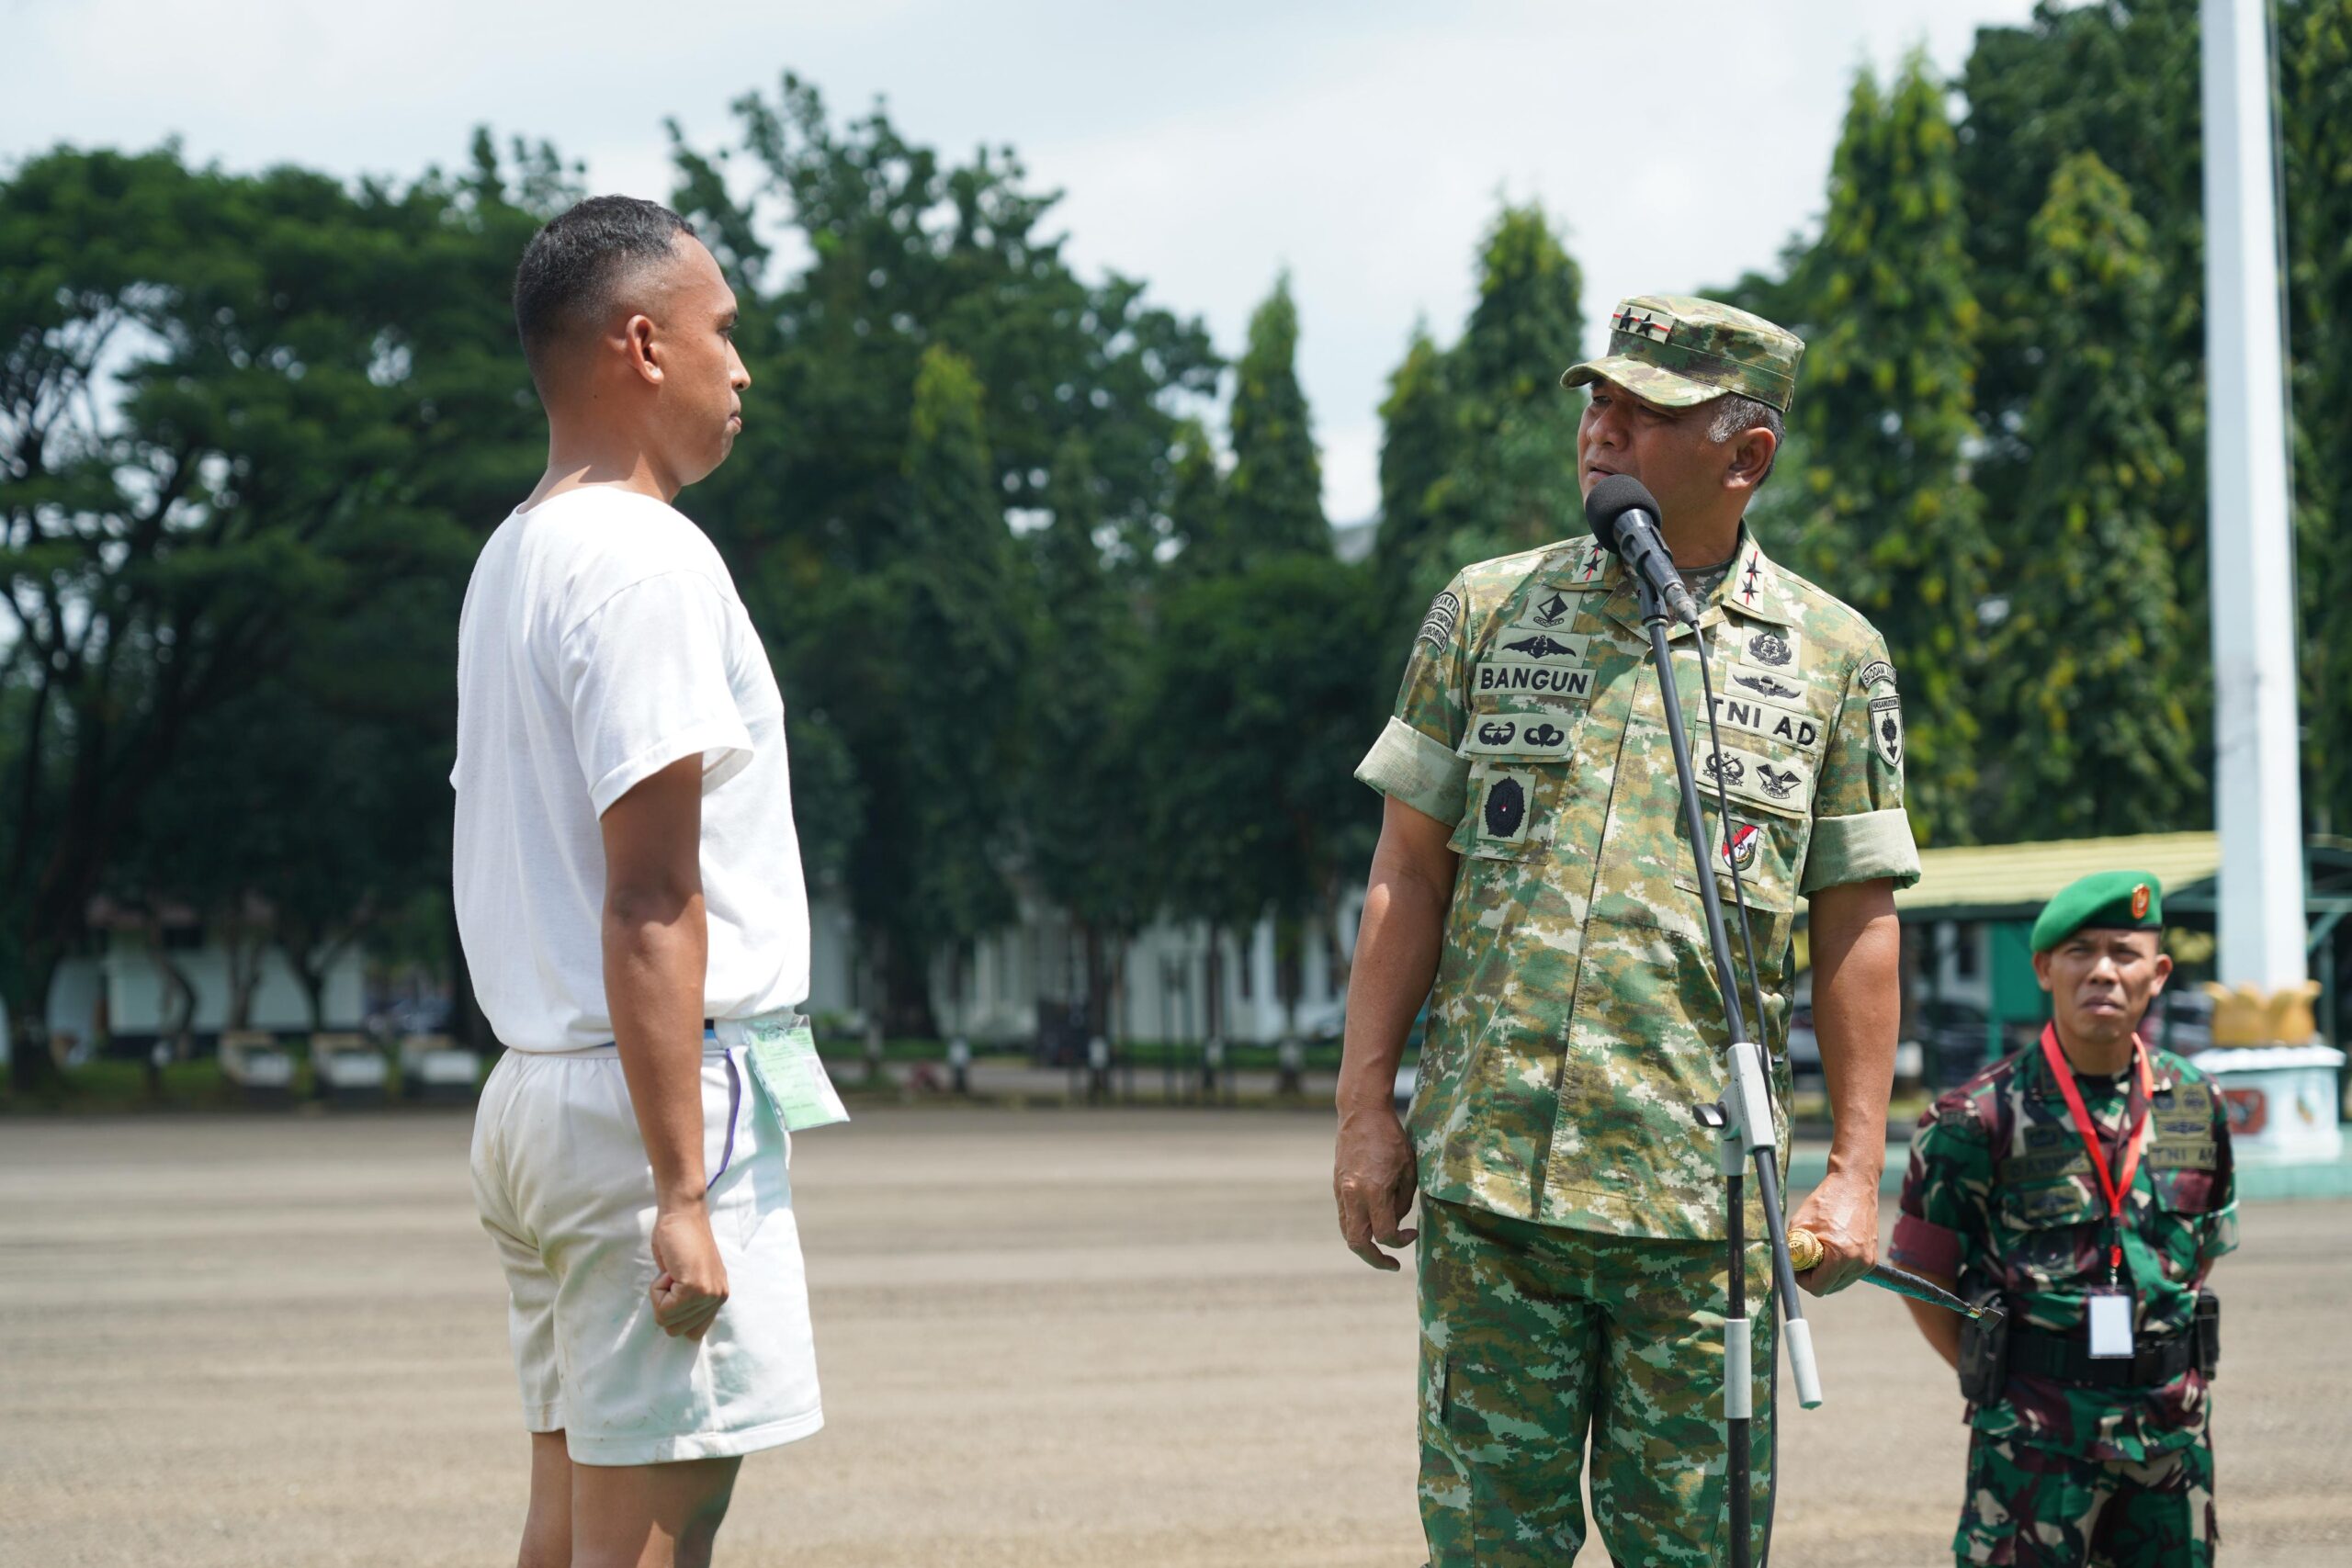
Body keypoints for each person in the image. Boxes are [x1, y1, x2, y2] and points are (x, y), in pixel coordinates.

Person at [1335, 295, 1918, 1565]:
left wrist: (1857, 1167)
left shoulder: (1834, 657)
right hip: (1498, 1199)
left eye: (1642, 412)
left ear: (1745, 454)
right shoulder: (1486, 611)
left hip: (1703, 1221)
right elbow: (1409, 874)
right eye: (1596, 401)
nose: (1599, 429)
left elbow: (1856, 919)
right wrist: (1365, 1103)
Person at [455, 196, 827, 1568]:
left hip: (544, 1095)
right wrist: (681, 1185)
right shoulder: (644, 558)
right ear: (641, 343)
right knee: (658, 1533)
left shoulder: (516, 554)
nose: (744, 366)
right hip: (654, 1103)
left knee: (569, 1523)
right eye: (722, 330)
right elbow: (652, 894)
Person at [1890, 871, 2233, 1565]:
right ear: (2045, 966)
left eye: (2123, 952)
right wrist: (1998, 1371)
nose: (2102, 971)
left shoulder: (2198, 1102)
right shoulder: (1974, 1117)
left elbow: (2203, 1250)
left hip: (2170, 1437)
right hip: (2033, 1445)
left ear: (2158, 972)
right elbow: (1920, 1273)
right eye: (2080, 951)